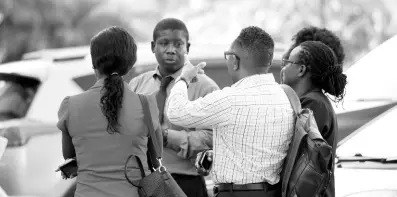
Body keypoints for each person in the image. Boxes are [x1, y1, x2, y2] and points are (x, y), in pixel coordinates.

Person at [166, 26, 295, 197]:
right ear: (269, 62)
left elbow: (176, 112)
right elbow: (255, 149)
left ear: (234, 61)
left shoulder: (230, 99)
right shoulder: (284, 95)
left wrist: (184, 78)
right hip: (272, 192)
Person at [57, 26, 161, 197]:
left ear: (93, 63)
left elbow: (68, 155)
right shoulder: (146, 104)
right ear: (130, 63)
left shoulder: (71, 105)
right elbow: (156, 155)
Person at [128, 18, 219, 197]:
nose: (171, 50)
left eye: (178, 44)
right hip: (144, 180)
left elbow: (213, 137)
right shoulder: (137, 84)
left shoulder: (205, 87)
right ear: (153, 46)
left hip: (185, 181)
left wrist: (168, 137)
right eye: (164, 43)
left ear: (188, 48)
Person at [281, 27, 347, 197]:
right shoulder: (314, 101)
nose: (283, 66)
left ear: (301, 70)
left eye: (288, 62)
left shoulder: (313, 103)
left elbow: (297, 154)